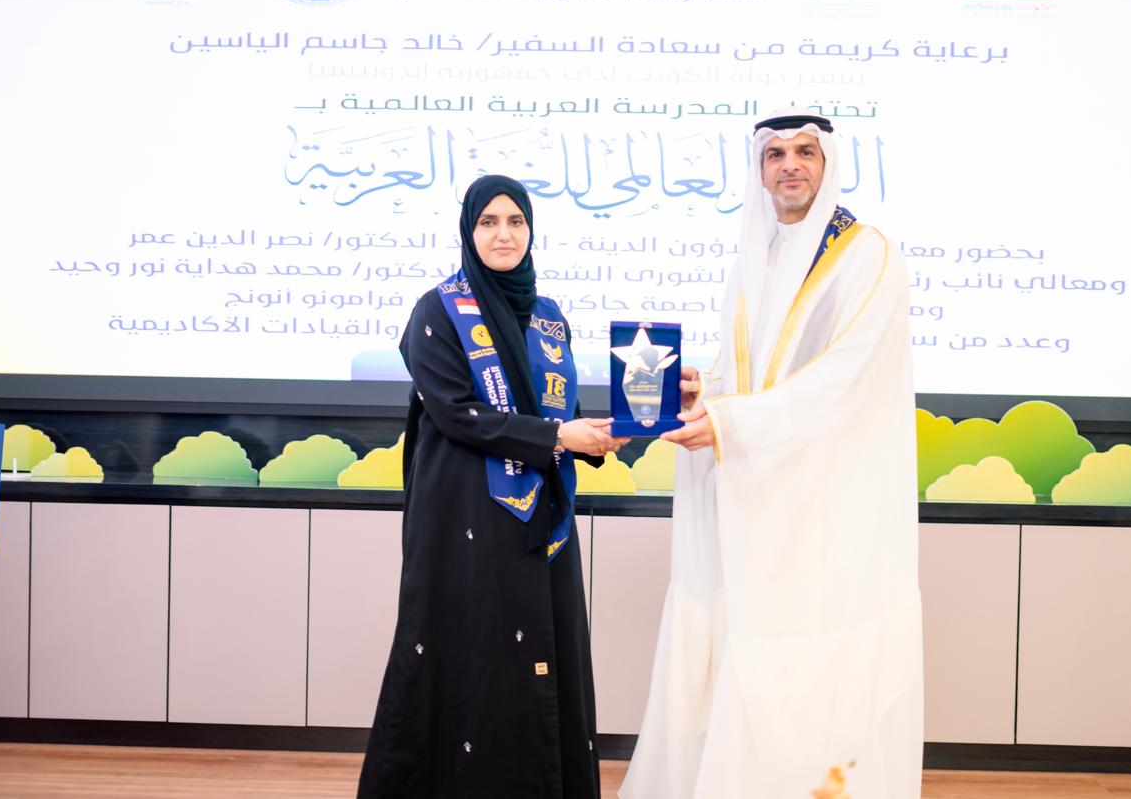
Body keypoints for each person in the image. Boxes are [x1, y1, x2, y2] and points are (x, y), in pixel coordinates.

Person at [620, 110, 923, 798]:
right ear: (759, 171)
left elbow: (842, 377)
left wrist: (729, 421)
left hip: (827, 506)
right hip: (759, 498)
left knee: (815, 662)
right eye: (776, 154)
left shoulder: (868, 254)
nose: (790, 165)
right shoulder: (754, 255)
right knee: (751, 653)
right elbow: (751, 373)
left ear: (828, 163)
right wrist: (704, 390)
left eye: (805, 152)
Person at [358, 175, 628, 798]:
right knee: (468, 654)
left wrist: (612, 429)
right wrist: (559, 437)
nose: (503, 234)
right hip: (464, 516)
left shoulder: (549, 318)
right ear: (468, 231)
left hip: (542, 518)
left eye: (515, 221)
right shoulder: (437, 311)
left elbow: (560, 415)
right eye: (488, 222)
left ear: (530, 230)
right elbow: (458, 414)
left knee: (540, 651)